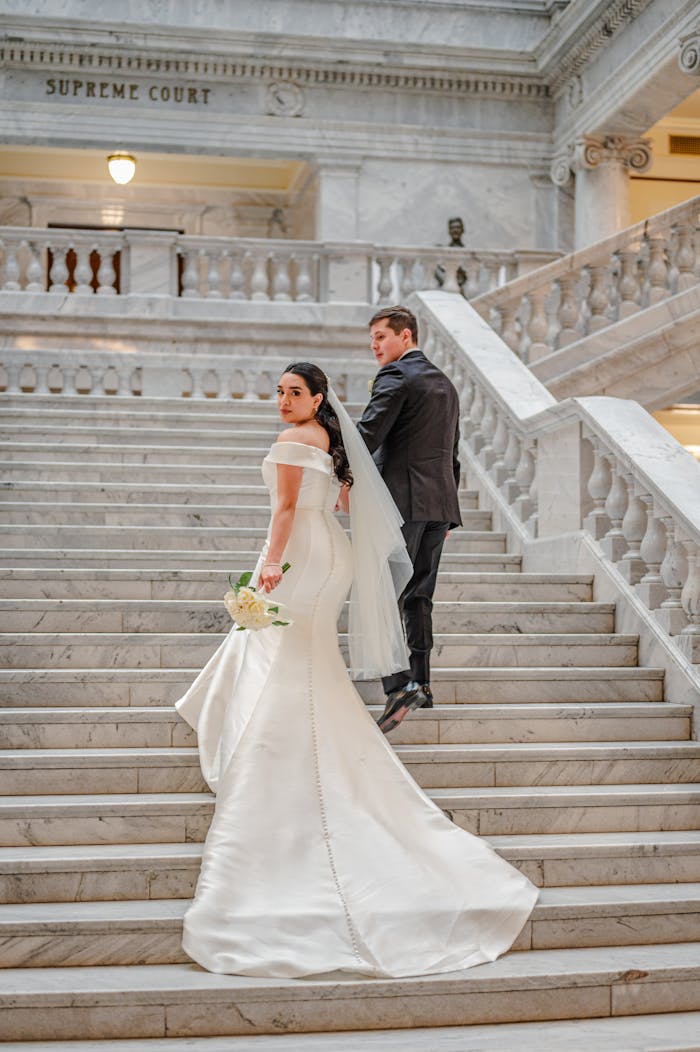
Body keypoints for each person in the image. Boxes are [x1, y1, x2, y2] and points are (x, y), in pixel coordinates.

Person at [175, 361, 537, 979]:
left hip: (302, 555)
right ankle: (289, 730)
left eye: (296, 393)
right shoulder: (330, 441)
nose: (284, 402)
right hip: (330, 554)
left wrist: (266, 568)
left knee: (287, 650)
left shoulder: (294, 440)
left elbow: (285, 509)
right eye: (280, 393)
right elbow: (341, 500)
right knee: (301, 655)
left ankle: (275, 739)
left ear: (318, 399)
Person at [357, 306, 461, 734]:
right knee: (418, 595)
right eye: (372, 340)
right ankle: (421, 682)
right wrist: (447, 515)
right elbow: (451, 451)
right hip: (438, 504)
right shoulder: (445, 383)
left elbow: (369, 433)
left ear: (405, 335)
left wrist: (334, 471)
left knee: (382, 590)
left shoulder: (397, 376)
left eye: (381, 337)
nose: (376, 347)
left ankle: (399, 685)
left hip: (402, 503)